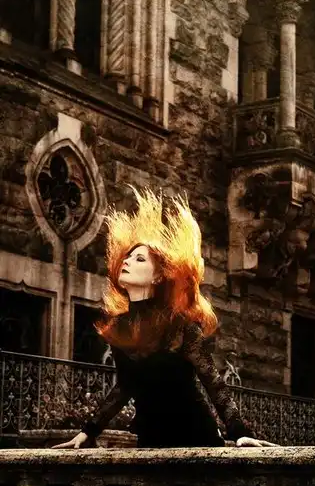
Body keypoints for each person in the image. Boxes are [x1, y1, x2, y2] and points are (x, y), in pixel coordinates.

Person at [53, 187, 276, 450]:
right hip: (151, 437)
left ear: (158, 276)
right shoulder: (120, 327)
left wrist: (239, 432)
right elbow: (125, 386)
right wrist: (88, 432)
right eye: (127, 256)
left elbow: (212, 381)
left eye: (139, 259)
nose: (126, 261)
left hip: (195, 435)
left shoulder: (179, 325)